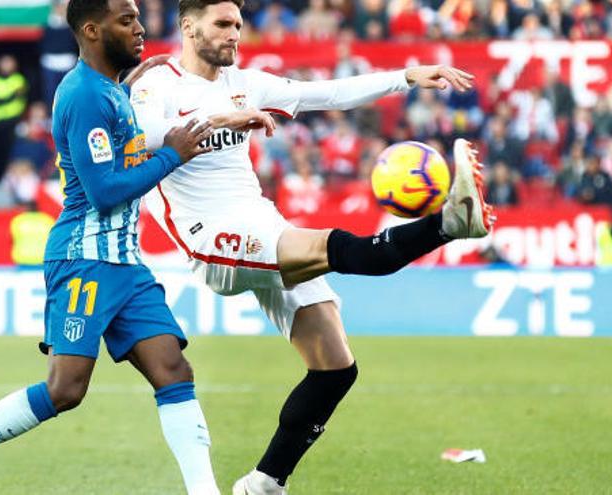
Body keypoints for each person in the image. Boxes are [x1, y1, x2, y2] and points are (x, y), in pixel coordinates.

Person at [129, 1, 494, 493]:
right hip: (210, 238)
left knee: (336, 367)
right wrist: (225, 120)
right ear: (188, 26)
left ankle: (264, 482)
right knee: (355, 251)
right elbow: (146, 138)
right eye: (222, 23)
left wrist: (406, 76)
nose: (234, 34)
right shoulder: (157, 84)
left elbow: (328, 93)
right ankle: (449, 224)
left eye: (238, 24)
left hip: (259, 221)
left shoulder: (246, 82)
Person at [0, 0, 224, 494]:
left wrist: (143, 82)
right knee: (65, 389)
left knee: (173, 369)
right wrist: (172, 156)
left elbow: (119, 136)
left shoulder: (110, 89)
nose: (141, 28)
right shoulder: (82, 95)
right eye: (127, 21)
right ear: (92, 31)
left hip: (123, 263)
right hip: (84, 259)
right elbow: (105, 190)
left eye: (138, 18)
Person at [9, 201, 55, 266]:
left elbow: (12, 239)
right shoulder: (48, 220)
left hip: (23, 260)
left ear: (25, 208)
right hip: (43, 261)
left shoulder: (18, 220)